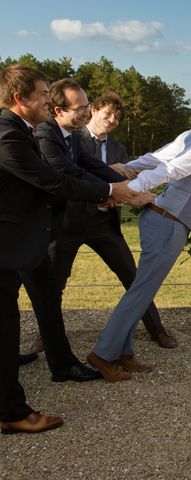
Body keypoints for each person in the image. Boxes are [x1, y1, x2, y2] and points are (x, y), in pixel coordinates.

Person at [0, 65, 141, 434]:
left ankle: (61, 365)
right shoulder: (7, 134)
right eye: (45, 94)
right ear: (20, 98)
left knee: (46, 295)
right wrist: (111, 192)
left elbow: (74, 171)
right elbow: (51, 179)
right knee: (5, 320)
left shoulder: (23, 130)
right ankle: (12, 412)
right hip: (7, 243)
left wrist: (116, 185)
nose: (50, 99)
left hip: (24, 239)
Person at [86, 87, 191, 382]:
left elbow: (153, 158)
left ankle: (123, 351)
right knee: (141, 291)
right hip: (168, 223)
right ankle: (102, 355)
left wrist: (124, 170)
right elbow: (169, 168)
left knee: (142, 289)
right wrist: (124, 190)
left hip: (161, 221)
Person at [31, 88, 177, 352]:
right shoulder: (71, 137)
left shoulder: (119, 148)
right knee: (55, 282)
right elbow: (72, 177)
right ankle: (47, 336)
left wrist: (131, 189)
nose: (111, 120)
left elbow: (120, 178)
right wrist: (116, 189)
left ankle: (157, 329)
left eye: (117, 118)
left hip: (104, 225)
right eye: (107, 113)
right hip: (67, 223)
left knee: (134, 278)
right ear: (94, 110)